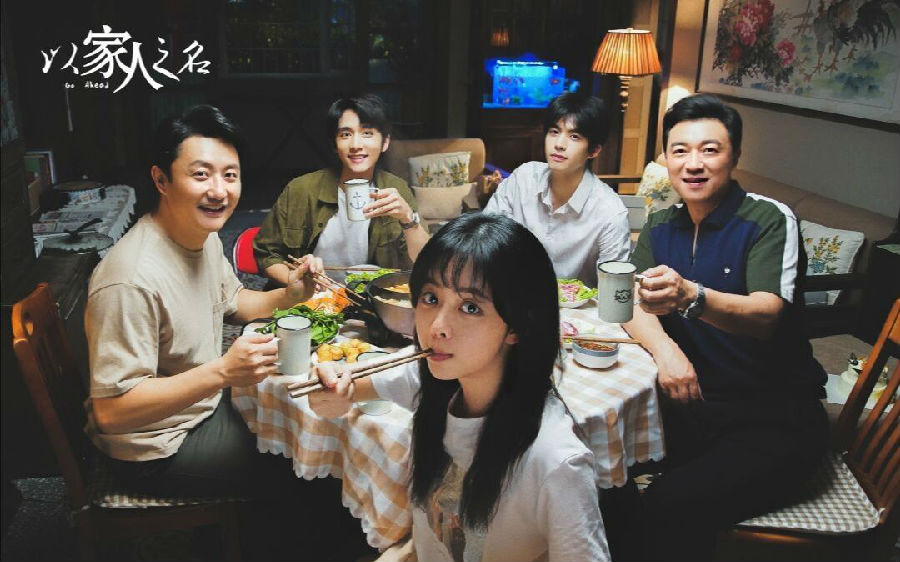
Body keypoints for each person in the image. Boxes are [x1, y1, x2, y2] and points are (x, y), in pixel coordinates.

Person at [309, 213, 611, 562]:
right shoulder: (434, 379)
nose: (437, 327)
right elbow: (342, 388)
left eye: (470, 307)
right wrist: (330, 388)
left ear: (518, 325)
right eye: (430, 298)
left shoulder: (555, 461)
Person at [83, 104, 327, 497]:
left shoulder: (201, 235)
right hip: (158, 447)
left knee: (311, 426)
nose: (219, 191)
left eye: (230, 175)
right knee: (305, 459)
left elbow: (234, 301)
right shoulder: (130, 279)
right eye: (200, 174)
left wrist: (293, 294)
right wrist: (224, 372)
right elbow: (111, 413)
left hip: (202, 405)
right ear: (161, 180)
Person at [624, 94, 828, 560]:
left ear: (734, 156)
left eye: (710, 150)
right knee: (601, 473)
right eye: (680, 150)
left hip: (772, 417)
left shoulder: (767, 219)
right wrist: (667, 352)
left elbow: (766, 315)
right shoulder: (660, 225)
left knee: (667, 504)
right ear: (666, 159)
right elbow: (634, 302)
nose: (693, 164)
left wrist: (690, 296)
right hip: (693, 407)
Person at [253, 94, 429, 284]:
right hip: (309, 295)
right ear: (335, 145)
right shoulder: (301, 189)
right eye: (345, 134)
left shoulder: (396, 189)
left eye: (367, 133)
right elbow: (267, 254)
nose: (356, 145)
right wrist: (298, 282)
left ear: (384, 142)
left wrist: (408, 220)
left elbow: (425, 262)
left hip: (368, 295)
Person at [483, 91, 630, 284]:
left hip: (579, 304)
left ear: (594, 150)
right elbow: (486, 237)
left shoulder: (610, 213)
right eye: (554, 132)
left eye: (574, 136)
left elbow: (614, 288)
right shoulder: (522, 179)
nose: (559, 144)